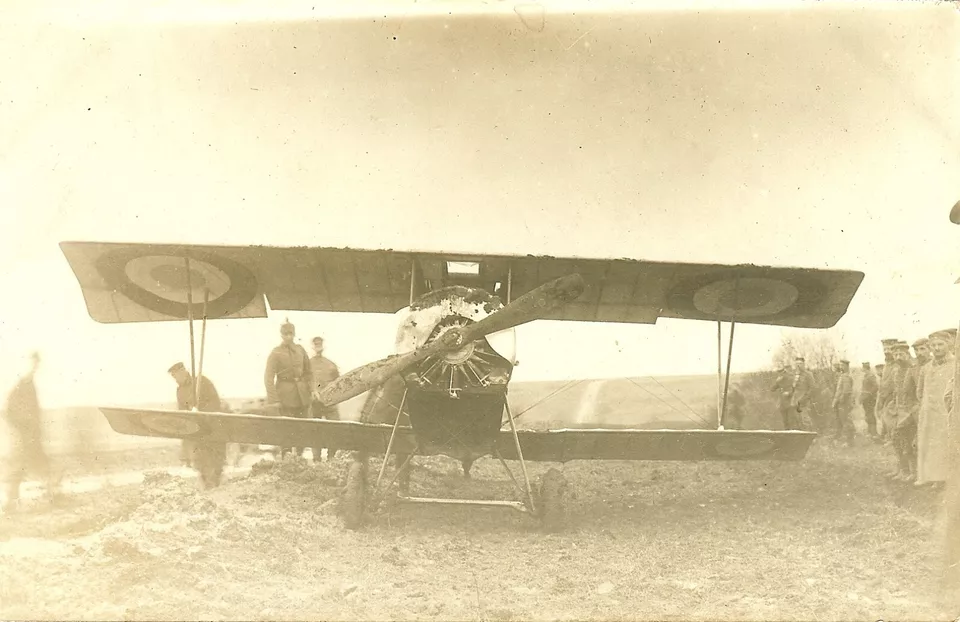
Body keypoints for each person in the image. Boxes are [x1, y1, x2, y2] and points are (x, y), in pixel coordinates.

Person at [3, 352, 57, 513]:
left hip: (31, 433)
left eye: (37, 363)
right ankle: (12, 502)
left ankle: (52, 495)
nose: (36, 366)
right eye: (34, 363)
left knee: (38, 464)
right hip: (25, 433)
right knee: (23, 465)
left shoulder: (29, 382)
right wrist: (21, 426)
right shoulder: (24, 383)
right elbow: (9, 409)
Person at [264, 321, 318, 459]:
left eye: (291, 334)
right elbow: (268, 377)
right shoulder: (276, 352)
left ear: (294, 334)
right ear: (281, 335)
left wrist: (312, 389)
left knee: (303, 427)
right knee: (286, 427)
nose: (288, 337)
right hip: (285, 395)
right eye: (285, 334)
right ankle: (286, 457)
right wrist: (274, 399)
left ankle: (299, 456)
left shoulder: (300, 350)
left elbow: (309, 372)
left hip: (302, 395)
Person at [168, 362, 227, 489]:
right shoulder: (180, 391)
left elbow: (214, 402)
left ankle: (216, 484)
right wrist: (189, 416)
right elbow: (182, 412)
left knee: (215, 460)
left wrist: (201, 412)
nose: (176, 380)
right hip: (197, 431)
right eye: (173, 377)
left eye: (176, 376)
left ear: (183, 372)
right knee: (200, 461)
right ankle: (208, 486)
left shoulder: (201, 381)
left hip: (212, 427)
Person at [917, 330, 954, 487]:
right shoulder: (926, 368)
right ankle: (934, 477)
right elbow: (919, 391)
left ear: (948, 344)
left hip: (947, 413)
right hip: (929, 413)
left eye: (940, 344)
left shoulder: (955, 365)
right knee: (930, 443)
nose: (937, 348)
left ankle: (949, 477)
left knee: (947, 443)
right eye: (933, 345)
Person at [890, 342, 920, 482]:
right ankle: (903, 470)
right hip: (899, 411)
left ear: (907, 354)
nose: (898, 357)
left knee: (911, 442)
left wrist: (913, 410)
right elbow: (896, 392)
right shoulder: (896, 371)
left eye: (901, 354)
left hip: (911, 412)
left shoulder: (914, 369)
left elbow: (918, 392)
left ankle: (914, 472)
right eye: (895, 354)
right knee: (898, 441)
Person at [309, 336, 341, 462]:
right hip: (315, 403)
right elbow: (305, 380)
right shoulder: (308, 364)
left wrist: (333, 396)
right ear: (313, 346)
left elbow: (338, 382)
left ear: (323, 346)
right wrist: (312, 391)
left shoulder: (331, 365)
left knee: (334, 428)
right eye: (316, 344)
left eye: (320, 344)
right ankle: (316, 459)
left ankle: (331, 457)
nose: (318, 346)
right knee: (315, 429)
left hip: (329, 402)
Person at [876, 339, 900, 442]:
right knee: (886, 417)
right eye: (885, 349)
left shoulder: (897, 364)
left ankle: (893, 439)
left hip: (893, 396)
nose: (886, 351)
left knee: (893, 418)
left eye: (889, 349)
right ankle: (889, 437)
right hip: (884, 395)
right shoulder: (887, 364)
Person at [831, 360, 855, 445]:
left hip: (843, 402)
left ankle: (849, 441)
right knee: (840, 421)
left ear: (846, 366)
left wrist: (840, 401)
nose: (840, 367)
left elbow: (846, 392)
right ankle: (840, 438)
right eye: (840, 365)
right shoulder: (843, 376)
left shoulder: (846, 377)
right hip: (840, 402)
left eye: (842, 365)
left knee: (845, 421)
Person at [789, 357, 816, 430]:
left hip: (803, 400)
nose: (798, 365)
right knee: (797, 421)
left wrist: (805, 399)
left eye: (800, 363)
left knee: (805, 420)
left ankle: (811, 436)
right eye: (797, 364)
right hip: (795, 401)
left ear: (804, 364)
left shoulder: (808, 374)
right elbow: (793, 388)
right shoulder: (794, 374)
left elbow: (812, 388)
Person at [859, 361, 879, 440]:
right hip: (866, 399)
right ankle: (870, 432)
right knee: (867, 415)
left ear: (865, 368)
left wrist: (869, 394)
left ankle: (874, 433)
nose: (862, 369)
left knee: (870, 415)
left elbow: (876, 387)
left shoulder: (870, 376)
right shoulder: (866, 376)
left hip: (870, 399)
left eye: (863, 368)